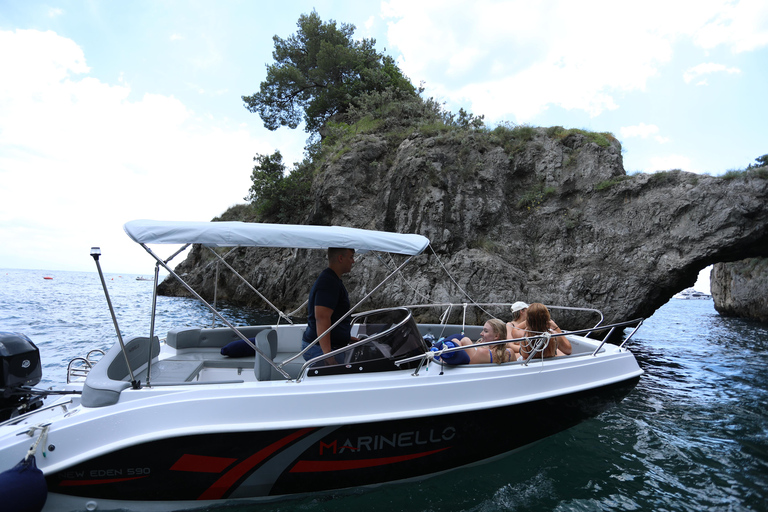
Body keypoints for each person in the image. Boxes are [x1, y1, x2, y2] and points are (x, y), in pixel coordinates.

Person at [301, 247, 357, 365]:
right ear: (340, 258)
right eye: (351, 257)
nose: (353, 261)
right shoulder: (328, 283)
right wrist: (328, 355)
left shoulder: (332, 280)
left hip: (327, 346)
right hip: (320, 350)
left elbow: (333, 317)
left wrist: (347, 338)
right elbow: (322, 318)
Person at [439, 319, 517, 365]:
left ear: (496, 336)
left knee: (458, 339)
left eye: (485, 331)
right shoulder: (510, 353)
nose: (481, 333)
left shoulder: (482, 352)